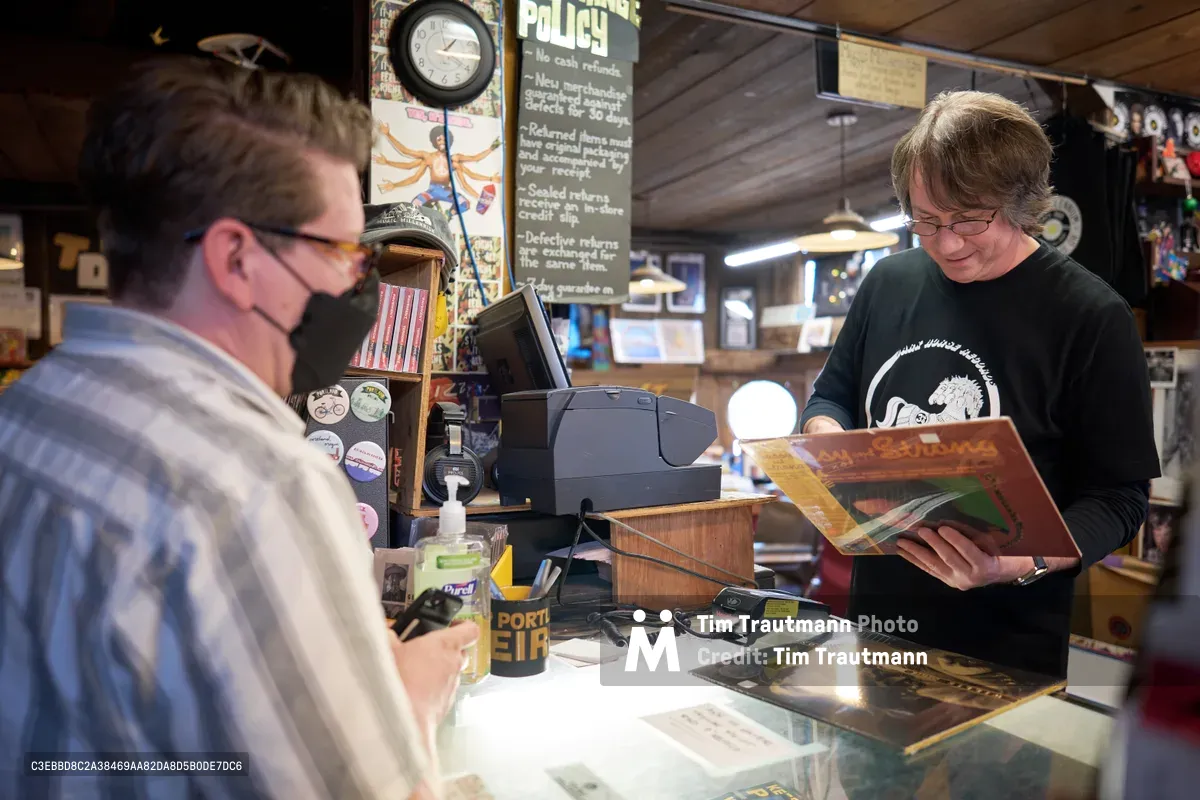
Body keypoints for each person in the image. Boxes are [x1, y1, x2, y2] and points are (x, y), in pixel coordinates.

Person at [0, 57, 476, 799]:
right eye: (343, 252)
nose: (359, 287)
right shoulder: (258, 482)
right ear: (234, 258)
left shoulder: (28, 407)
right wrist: (411, 699)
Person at [800, 90, 1159, 679]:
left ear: (1022, 204)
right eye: (926, 220)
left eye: (970, 219)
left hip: (1005, 643)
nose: (947, 243)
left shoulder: (1091, 316)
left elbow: (1120, 500)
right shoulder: (887, 282)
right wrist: (827, 440)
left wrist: (1012, 565)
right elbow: (832, 394)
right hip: (879, 627)